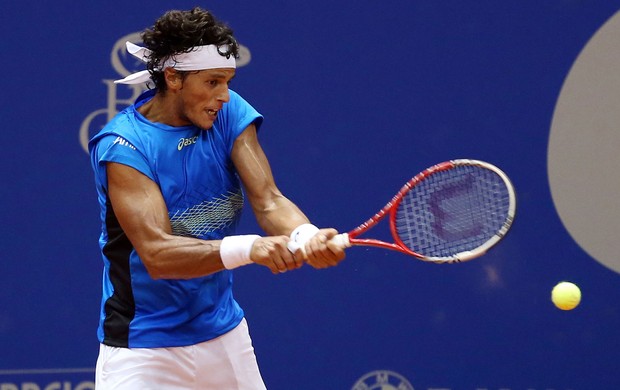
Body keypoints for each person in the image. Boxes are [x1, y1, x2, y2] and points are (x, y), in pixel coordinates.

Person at [89, 7, 345, 390]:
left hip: (225, 337)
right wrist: (252, 249)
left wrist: (304, 237)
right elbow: (158, 255)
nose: (224, 95)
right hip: (143, 351)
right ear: (173, 77)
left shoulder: (228, 114)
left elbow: (269, 200)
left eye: (227, 81)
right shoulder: (124, 146)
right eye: (212, 82)